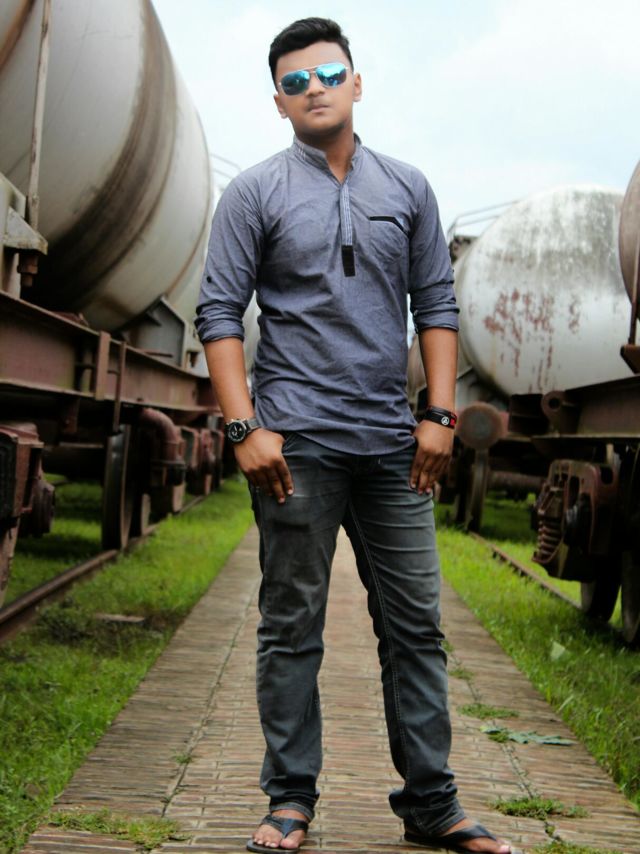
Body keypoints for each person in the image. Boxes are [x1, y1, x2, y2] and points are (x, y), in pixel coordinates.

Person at [195, 17, 511, 854]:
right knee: (291, 624)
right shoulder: (254, 194)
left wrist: (438, 415)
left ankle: (432, 803)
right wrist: (244, 428)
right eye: (295, 82)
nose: (315, 90)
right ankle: (290, 799)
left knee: (416, 626)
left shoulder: (406, 188)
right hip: (295, 446)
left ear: (357, 82)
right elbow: (218, 312)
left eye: (329, 74)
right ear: (278, 102)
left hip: (391, 447)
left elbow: (435, 303)